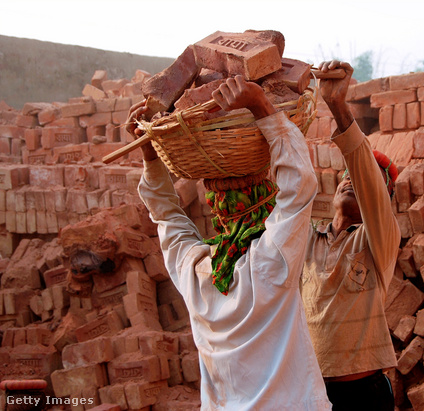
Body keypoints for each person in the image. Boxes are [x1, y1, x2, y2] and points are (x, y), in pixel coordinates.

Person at [129, 75, 331, 410]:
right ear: (266, 202)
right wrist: (261, 107)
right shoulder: (271, 263)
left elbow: (165, 216)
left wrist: (151, 156)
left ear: (216, 208)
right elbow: (299, 189)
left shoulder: (195, 273)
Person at [301, 60, 401, 411]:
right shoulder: (306, 242)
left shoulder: (379, 242)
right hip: (311, 394)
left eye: (360, 179)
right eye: (347, 177)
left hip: (364, 396)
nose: (350, 181)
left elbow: (366, 177)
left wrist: (337, 106)